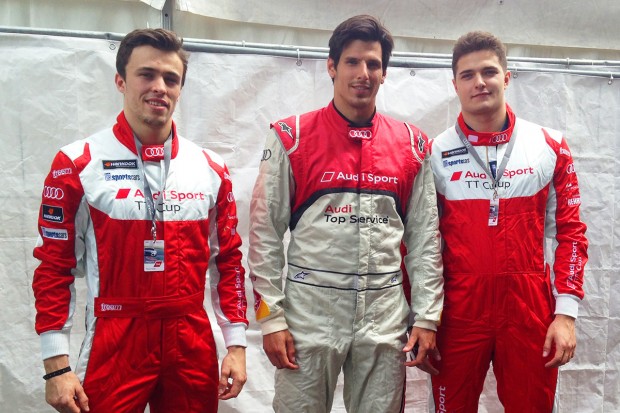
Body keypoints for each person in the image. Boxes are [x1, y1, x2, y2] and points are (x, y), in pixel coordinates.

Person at [32, 28, 248, 413]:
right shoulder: (78, 163)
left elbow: (228, 261)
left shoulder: (210, 168)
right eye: (146, 74)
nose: (159, 87)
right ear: (120, 80)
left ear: (181, 88)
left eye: (171, 78)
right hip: (117, 335)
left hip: (190, 336)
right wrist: (55, 365)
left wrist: (236, 344)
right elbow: (53, 267)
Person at [248, 14, 444, 413]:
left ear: (385, 73)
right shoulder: (292, 136)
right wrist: (270, 319)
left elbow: (424, 238)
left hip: (384, 314)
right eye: (353, 62)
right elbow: (264, 234)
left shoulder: (412, 144)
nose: (363, 73)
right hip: (309, 313)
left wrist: (427, 317)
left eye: (373, 64)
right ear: (332, 66)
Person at [429, 31, 588, 412]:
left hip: (528, 308)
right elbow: (418, 244)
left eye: (488, 71)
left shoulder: (549, 145)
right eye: (467, 75)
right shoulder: (434, 151)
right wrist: (421, 317)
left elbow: (571, 233)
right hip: (458, 309)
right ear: (454, 84)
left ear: (507, 76)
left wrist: (566, 314)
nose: (479, 82)